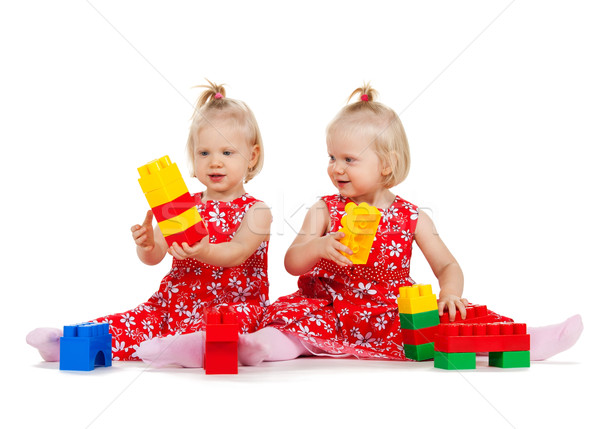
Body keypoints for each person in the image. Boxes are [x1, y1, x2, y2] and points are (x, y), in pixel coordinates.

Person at [132, 82, 582, 367]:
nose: (336, 169)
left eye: (349, 160)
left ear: (386, 166)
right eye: (331, 157)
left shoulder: (411, 216)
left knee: (446, 328)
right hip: (327, 307)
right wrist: (321, 246)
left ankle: (526, 339)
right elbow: (291, 263)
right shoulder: (325, 208)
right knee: (288, 323)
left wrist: (450, 292)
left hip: (386, 312)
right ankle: (257, 348)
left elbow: (447, 266)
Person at [26, 81, 272, 367]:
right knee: (136, 320)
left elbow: (238, 251)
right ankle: (68, 342)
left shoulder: (257, 210)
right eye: (204, 153)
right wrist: (147, 244)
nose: (214, 162)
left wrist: (203, 252)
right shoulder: (182, 204)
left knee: (229, 325)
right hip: (175, 304)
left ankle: (191, 347)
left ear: (251, 156)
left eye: (227, 153)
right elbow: (155, 255)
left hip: (231, 306)